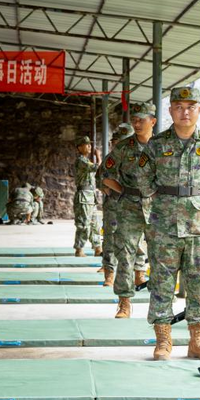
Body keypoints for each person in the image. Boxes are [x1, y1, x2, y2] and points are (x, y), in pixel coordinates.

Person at [136, 86, 200, 361]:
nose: (185, 112)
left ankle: (197, 341)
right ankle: (163, 342)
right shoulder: (156, 145)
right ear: (170, 111)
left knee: (198, 282)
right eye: (179, 107)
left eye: (190, 106)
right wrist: (166, 197)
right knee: (161, 282)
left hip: (199, 225)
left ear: (198, 110)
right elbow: (143, 179)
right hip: (164, 225)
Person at [102, 102, 156, 318]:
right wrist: (123, 190)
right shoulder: (123, 148)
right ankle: (124, 302)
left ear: (152, 121)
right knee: (125, 253)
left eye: (141, 120)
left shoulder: (162, 146)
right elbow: (106, 173)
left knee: (161, 254)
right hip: (129, 206)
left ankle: (161, 303)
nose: (137, 123)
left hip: (157, 206)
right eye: (134, 120)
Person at [98, 123, 134, 286]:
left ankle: (138, 272)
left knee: (135, 240)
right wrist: (108, 189)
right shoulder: (110, 159)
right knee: (110, 238)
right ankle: (109, 273)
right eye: (118, 142)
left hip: (134, 204)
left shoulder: (139, 157)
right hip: (114, 203)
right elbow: (100, 178)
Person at [72, 136, 102, 257]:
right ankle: (79, 249)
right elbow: (97, 167)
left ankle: (97, 248)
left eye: (90, 144)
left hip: (90, 196)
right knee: (84, 224)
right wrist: (99, 156)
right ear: (79, 147)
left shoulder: (86, 160)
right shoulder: (81, 160)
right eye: (86, 144)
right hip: (84, 197)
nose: (89, 146)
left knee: (95, 224)